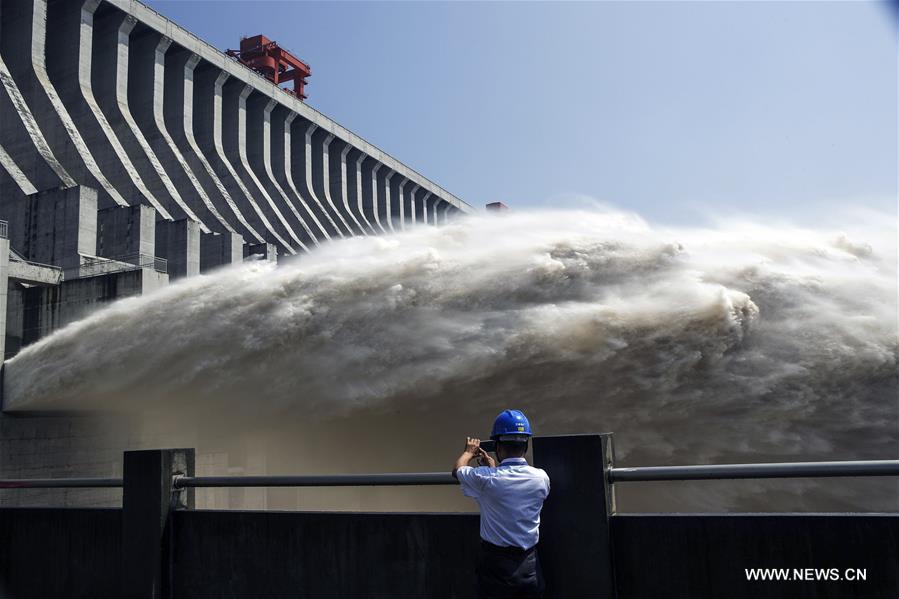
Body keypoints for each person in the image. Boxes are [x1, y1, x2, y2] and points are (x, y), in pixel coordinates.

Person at [452, 409, 551, 599]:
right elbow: (510, 485)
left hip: (496, 567)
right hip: (530, 565)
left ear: (497, 446)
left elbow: (458, 471)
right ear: (526, 445)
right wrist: (493, 469)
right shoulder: (541, 477)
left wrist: (468, 452)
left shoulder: (486, 480)